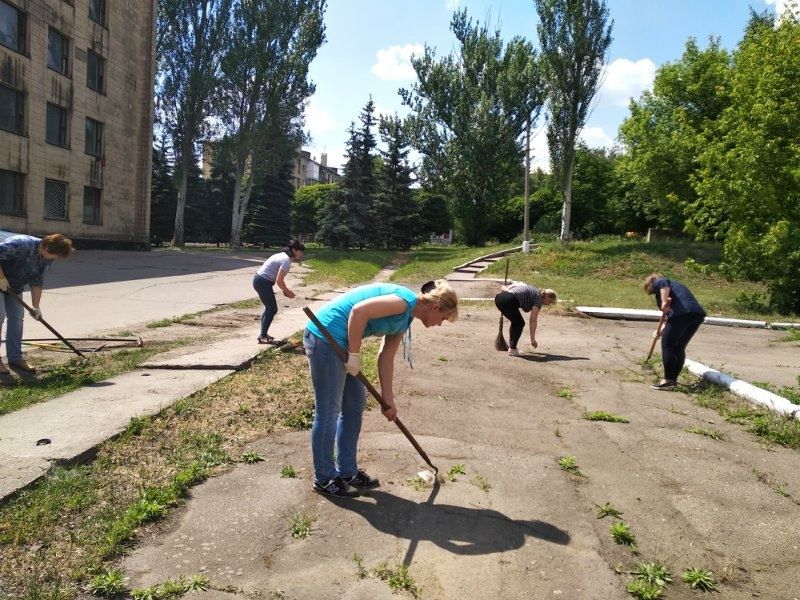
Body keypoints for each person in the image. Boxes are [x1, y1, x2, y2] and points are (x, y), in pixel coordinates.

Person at [303, 279, 458, 498]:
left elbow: (386, 357)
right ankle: (325, 478)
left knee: (354, 405)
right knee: (328, 411)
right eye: (442, 318)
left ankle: (347, 472)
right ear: (435, 307)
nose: (440, 323)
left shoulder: (406, 319)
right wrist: (355, 356)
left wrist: (388, 400)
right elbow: (358, 312)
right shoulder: (403, 302)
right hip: (325, 339)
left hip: (343, 346)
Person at [0, 233, 74, 374]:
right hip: (1, 281)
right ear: (46, 247)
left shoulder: (46, 258)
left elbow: (37, 281)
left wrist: (36, 306)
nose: (55, 259)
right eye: (55, 255)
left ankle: (15, 358)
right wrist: (1, 278)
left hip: (14, 288)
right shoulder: (21, 244)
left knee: (17, 319)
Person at [644, 273, 706, 391]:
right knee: (678, 346)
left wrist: (663, 301)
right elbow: (667, 317)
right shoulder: (675, 288)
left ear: (651, 283)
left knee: (667, 344)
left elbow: (663, 285)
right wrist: (659, 331)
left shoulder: (660, 281)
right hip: (696, 314)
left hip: (681, 314)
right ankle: (672, 380)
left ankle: (668, 380)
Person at [253, 240, 305, 344]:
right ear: (294, 250)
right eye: (301, 251)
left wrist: (285, 291)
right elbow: (279, 280)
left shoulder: (281, 255)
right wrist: (287, 291)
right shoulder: (286, 260)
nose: (302, 254)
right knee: (272, 309)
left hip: (260, 280)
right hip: (263, 282)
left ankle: (263, 334)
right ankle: (263, 336)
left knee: (270, 308)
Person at [494, 282, 557, 356]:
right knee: (519, 323)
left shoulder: (532, 289)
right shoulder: (538, 300)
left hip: (499, 298)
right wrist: (532, 339)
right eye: (549, 301)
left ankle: (512, 347)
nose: (548, 304)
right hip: (508, 301)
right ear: (546, 296)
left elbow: (513, 286)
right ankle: (512, 349)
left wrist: (504, 288)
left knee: (516, 322)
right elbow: (533, 320)